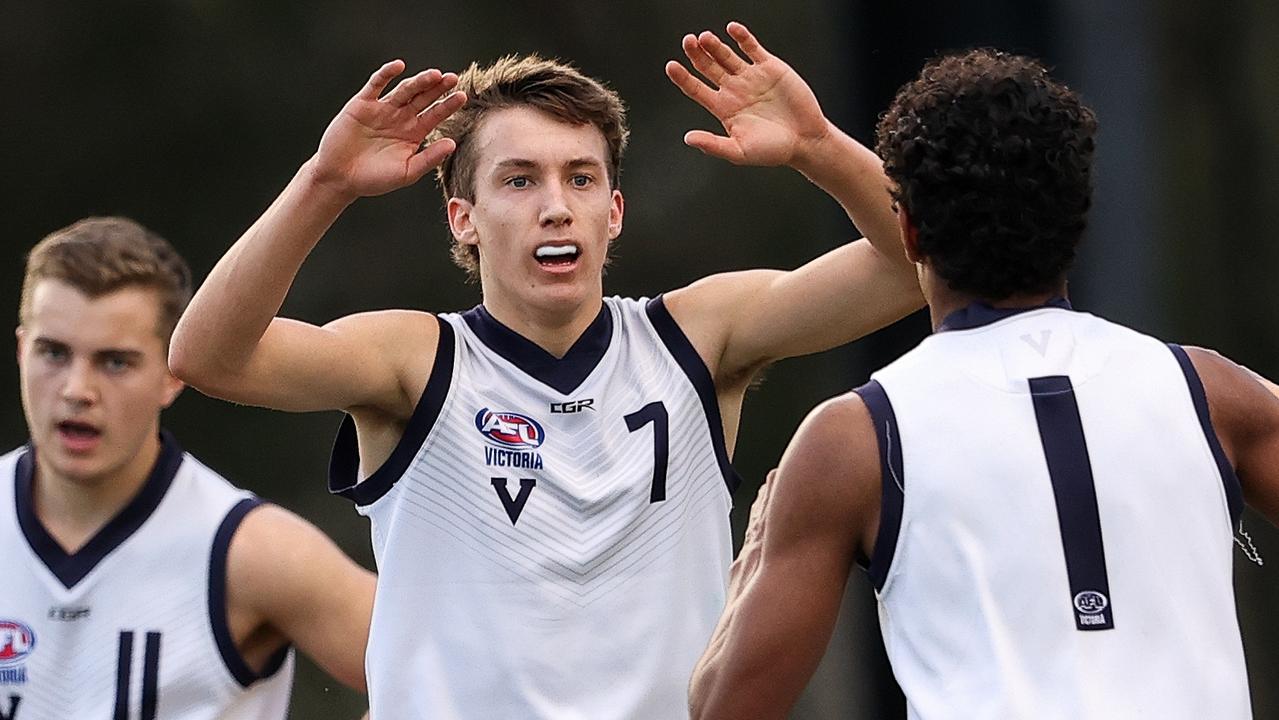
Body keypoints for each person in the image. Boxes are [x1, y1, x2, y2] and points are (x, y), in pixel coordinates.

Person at [168, 23, 921, 718]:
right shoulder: (414, 360)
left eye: (581, 179)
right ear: (463, 217)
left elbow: (918, 266)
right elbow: (207, 358)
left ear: (614, 210)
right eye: (519, 180)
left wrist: (818, 145)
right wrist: (322, 184)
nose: (556, 207)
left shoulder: (697, 336)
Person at [688, 48, 1279, 720]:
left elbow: (727, 709)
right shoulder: (1213, 392)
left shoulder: (852, 439)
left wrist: (756, 552)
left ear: (905, 231)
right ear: (1076, 216)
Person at [1, 217, 375, 719]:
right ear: (22, 350)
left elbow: (453, 674)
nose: (76, 390)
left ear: (172, 374)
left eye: (115, 362)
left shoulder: (250, 551)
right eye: (53, 353)